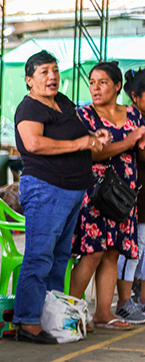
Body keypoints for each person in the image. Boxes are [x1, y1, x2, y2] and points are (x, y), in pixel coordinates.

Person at [13, 50, 108, 344]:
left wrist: (95, 137)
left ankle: (50, 317)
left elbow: (77, 133)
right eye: (44, 72)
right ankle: (27, 321)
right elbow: (33, 143)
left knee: (59, 258)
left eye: (54, 70)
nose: (52, 76)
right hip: (46, 188)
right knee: (39, 257)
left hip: (71, 190)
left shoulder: (63, 101)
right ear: (29, 80)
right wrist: (80, 142)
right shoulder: (29, 108)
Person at [70, 62, 145, 328]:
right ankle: (70, 311)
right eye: (92, 82)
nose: (95, 87)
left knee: (113, 252)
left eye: (102, 82)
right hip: (95, 192)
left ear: (116, 87)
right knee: (92, 253)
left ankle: (103, 313)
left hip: (124, 195)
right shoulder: (85, 116)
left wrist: (142, 143)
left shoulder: (134, 115)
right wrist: (129, 141)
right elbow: (93, 153)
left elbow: (140, 151)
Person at [116, 68, 145, 314]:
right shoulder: (131, 120)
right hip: (133, 196)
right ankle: (125, 302)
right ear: (135, 97)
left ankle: (141, 300)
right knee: (134, 249)